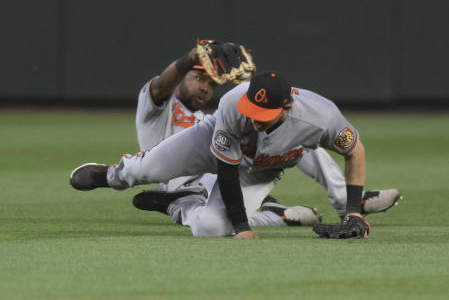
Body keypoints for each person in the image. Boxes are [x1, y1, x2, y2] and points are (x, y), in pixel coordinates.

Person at [72, 67, 400, 237]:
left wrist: (355, 214)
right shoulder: (234, 104)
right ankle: (112, 175)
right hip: (210, 144)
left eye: (264, 116)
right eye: (252, 112)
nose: (255, 120)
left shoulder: (321, 117)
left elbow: (355, 151)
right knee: (145, 170)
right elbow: (226, 168)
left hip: (261, 168)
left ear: (286, 107)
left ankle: (181, 205)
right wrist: (242, 227)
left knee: (211, 229)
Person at [128, 45, 375, 227]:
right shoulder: (157, 108)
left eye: (211, 83)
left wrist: (251, 82)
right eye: (198, 78)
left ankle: (348, 202)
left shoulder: (211, 115)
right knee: (211, 223)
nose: (205, 87)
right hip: (182, 184)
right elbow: (161, 85)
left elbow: (251, 115)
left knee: (299, 137)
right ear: (181, 78)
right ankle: (274, 216)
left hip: (220, 175)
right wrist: (190, 58)